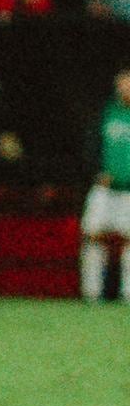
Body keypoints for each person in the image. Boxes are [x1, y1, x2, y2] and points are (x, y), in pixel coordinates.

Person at [83, 72, 130, 304]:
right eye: (123, 83)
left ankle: (128, 294)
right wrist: (95, 171)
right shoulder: (106, 113)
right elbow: (90, 144)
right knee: (93, 236)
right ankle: (92, 294)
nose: (126, 88)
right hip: (104, 190)